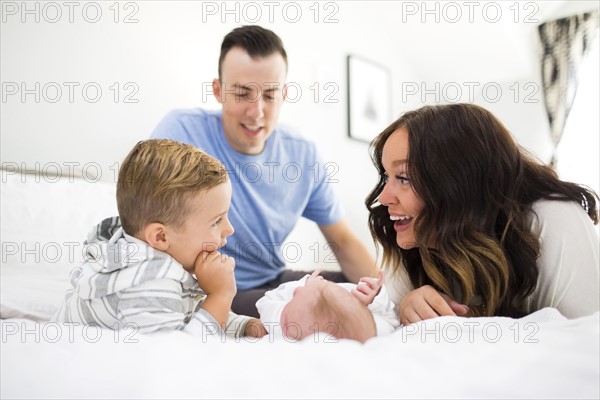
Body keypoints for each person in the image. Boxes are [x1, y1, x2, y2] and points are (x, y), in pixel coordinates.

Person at [151, 25, 375, 317]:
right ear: (218, 91)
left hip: (274, 278)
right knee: (325, 310)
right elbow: (143, 220)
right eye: (243, 93)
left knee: (360, 295)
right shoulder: (180, 132)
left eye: (270, 95)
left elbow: (343, 240)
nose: (256, 112)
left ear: (284, 94)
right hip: (213, 289)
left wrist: (388, 295)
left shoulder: (302, 155)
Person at [365, 103, 600, 324]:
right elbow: (380, 319)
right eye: (387, 177)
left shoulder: (553, 219)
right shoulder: (417, 238)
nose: (383, 198)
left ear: (460, 184)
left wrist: (472, 317)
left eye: (404, 178)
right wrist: (406, 306)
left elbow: (588, 345)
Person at [52, 139, 266, 338]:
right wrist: (221, 295)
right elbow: (175, 355)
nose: (229, 229)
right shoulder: (147, 282)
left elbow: (189, 315)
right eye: (216, 221)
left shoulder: (151, 259)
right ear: (161, 236)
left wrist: (243, 326)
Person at [256, 270, 399, 343]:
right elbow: (392, 320)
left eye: (294, 297)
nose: (297, 290)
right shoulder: (370, 331)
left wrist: (303, 283)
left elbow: (265, 301)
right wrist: (376, 298)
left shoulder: (282, 328)